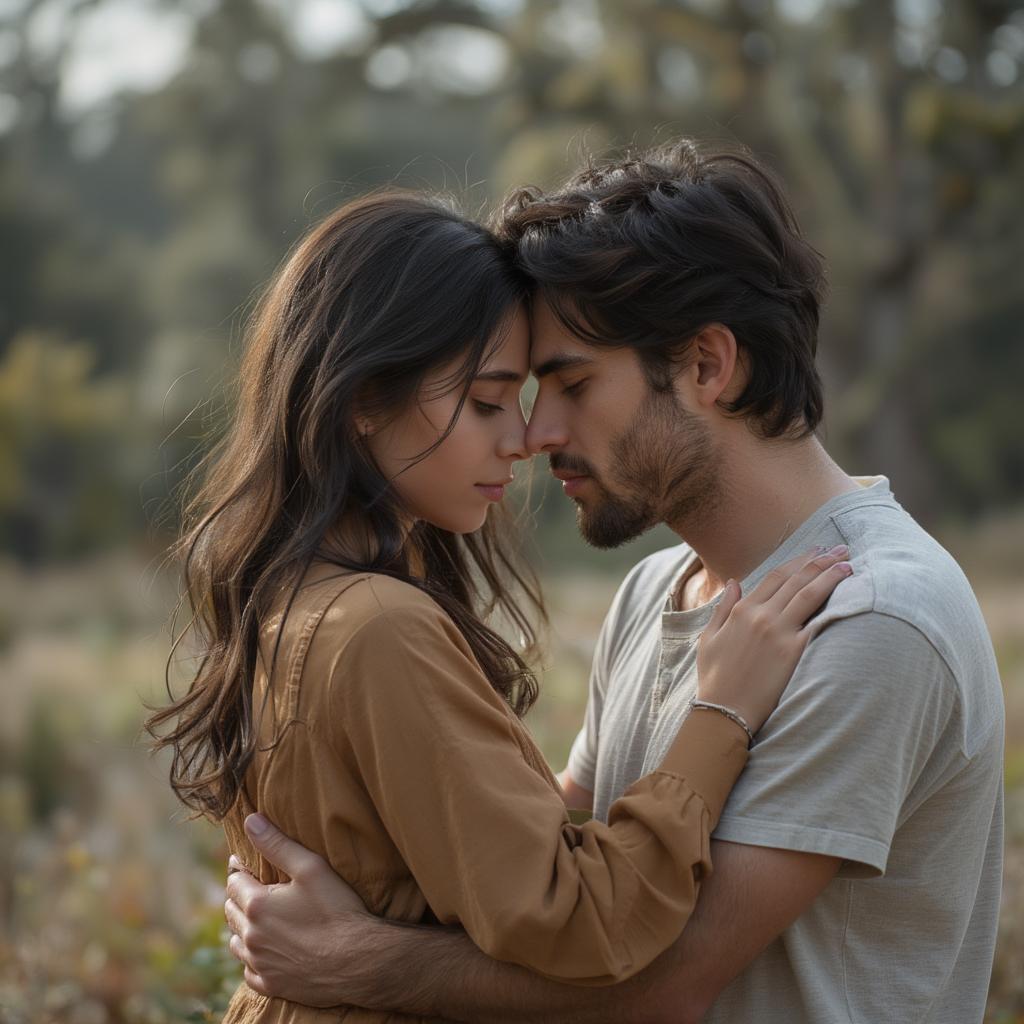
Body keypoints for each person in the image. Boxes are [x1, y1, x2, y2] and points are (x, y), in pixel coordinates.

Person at [223, 142, 1005, 1024]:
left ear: (708, 365)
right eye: (508, 396)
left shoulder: (871, 618)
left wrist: (359, 963)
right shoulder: (653, 591)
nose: (535, 432)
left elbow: (663, 990)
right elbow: (550, 858)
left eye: (571, 384)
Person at [144, 188, 852, 1024]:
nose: (521, 439)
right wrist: (722, 711)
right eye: (486, 403)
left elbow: (483, 843)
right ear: (364, 398)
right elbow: (585, 922)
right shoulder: (376, 627)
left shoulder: (293, 602)